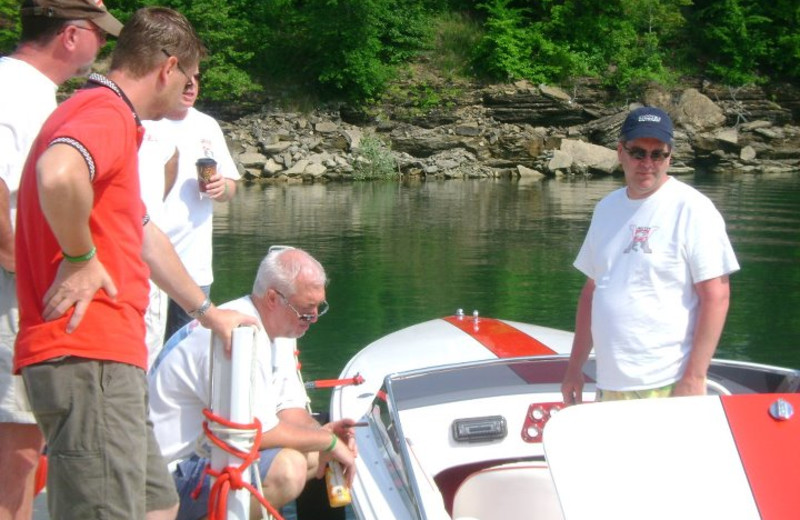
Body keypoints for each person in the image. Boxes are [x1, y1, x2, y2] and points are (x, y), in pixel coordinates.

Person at [13, 7, 257, 520]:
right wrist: (80, 258)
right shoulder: (104, 112)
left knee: (156, 504)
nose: (190, 91)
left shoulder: (113, 118)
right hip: (87, 355)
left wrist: (206, 312)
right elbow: (57, 173)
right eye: (188, 78)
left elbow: (143, 233)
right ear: (167, 68)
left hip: (111, 360)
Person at [0, 1, 121, 518]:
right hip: (10, 295)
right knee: (17, 453)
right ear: (71, 36)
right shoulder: (17, 94)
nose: (105, 45)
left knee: (24, 448)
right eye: (100, 33)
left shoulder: (26, 91)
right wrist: (17, 260)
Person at [148, 246, 357, 520]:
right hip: (167, 477)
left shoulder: (280, 329)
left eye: (319, 307)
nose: (314, 318)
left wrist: (323, 434)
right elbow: (257, 433)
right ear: (273, 298)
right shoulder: (239, 336)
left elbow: (289, 411)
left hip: (209, 456)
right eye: (307, 310)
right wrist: (327, 441)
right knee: (288, 469)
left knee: (312, 454)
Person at [561, 106, 740, 404]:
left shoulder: (693, 208)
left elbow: (717, 295)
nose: (648, 162)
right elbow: (591, 294)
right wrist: (574, 368)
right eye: (638, 152)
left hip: (667, 382)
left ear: (669, 156)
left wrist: (695, 377)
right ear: (621, 152)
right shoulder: (606, 209)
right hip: (609, 383)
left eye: (658, 154)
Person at [144, 67, 239, 342]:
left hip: (194, 266)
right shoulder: (147, 121)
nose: (191, 86)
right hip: (149, 263)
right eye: (185, 79)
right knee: (145, 353)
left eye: (196, 80)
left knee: (186, 349)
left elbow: (231, 186)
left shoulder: (207, 125)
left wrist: (222, 188)